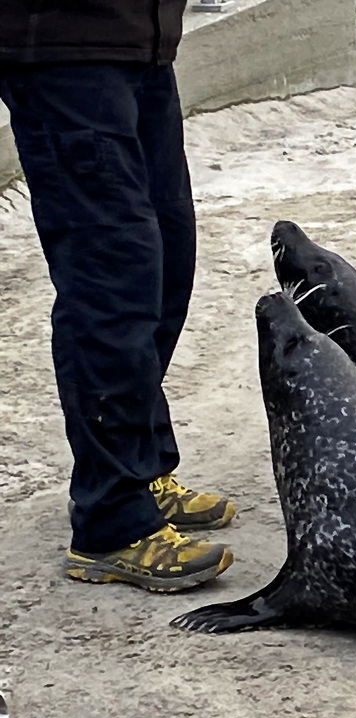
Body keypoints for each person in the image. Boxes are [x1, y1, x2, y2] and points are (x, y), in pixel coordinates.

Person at [0, 1, 236, 591]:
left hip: (141, 41)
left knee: (165, 259)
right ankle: (111, 520)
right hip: (62, 50)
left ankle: (142, 467)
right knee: (110, 279)